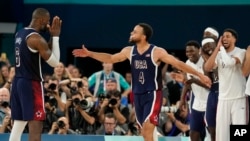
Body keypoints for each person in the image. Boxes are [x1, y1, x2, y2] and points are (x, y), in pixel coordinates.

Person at [72, 23, 211, 141]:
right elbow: (111, 58)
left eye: (135, 32)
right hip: (137, 95)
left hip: (153, 94)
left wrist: (199, 74)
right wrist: (90, 54)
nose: (131, 33)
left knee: (147, 129)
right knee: (145, 134)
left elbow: (178, 63)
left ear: (143, 36)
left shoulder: (156, 52)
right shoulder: (129, 51)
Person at [9, 8, 62, 141]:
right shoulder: (36, 38)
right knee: (36, 127)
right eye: (48, 21)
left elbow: (43, 53)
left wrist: (50, 38)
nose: (49, 24)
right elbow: (55, 62)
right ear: (41, 20)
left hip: (18, 82)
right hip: (31, 83)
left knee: (18, 125)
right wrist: (55, 37)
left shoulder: (20, 33)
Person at [204, 28, 247, 141]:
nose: (225, 38)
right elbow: (207, 67)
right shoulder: (219, 54)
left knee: (239, 132)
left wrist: (221, 49)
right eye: (223, 37)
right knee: (221, 134)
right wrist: (217, 49)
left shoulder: (241, 52)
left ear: (235, 39)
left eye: (228, 36)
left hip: (239, 98)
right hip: (223, 99)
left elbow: (229, 62)